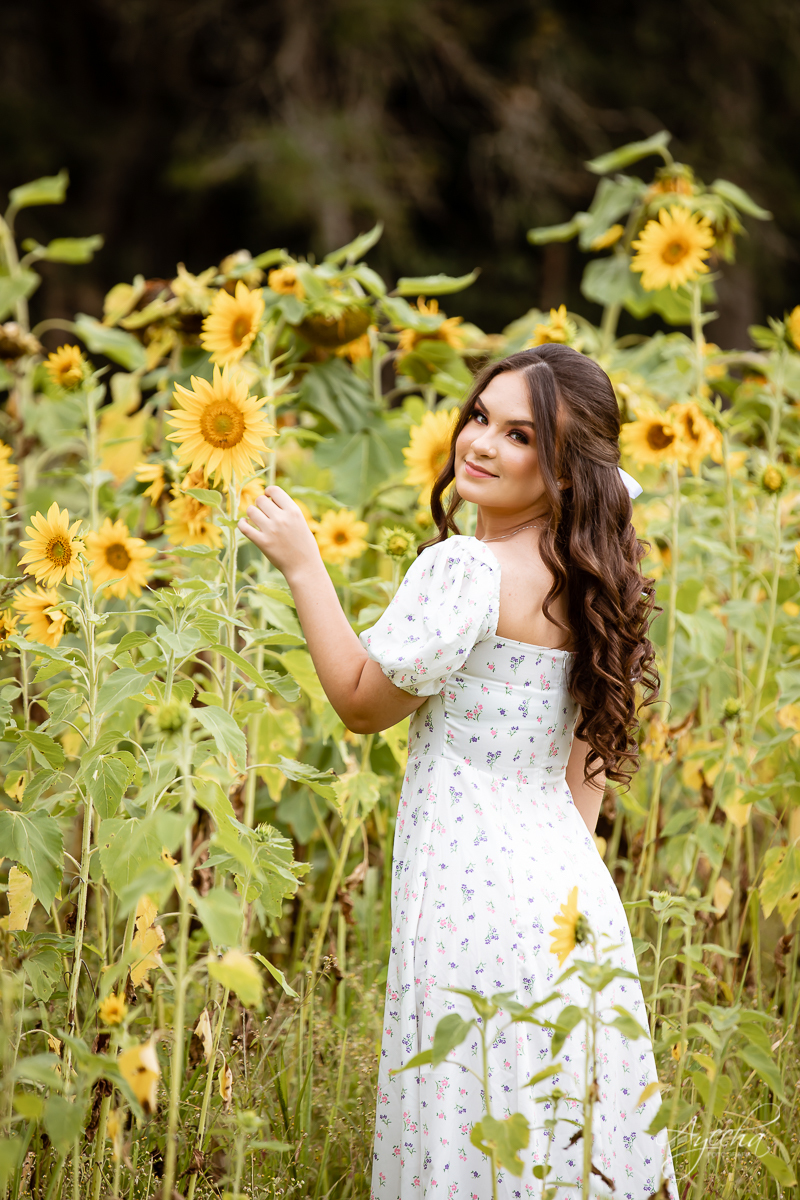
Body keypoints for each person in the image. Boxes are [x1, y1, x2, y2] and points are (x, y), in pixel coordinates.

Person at [239, 344, 677, 1199]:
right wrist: (558, 876)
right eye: (481, 416)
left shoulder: (470, 569)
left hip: (468, 884)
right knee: (553, 1130)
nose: (480, 443)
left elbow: (364, 703)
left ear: (561, 473)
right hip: (570, 902)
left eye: (520, 436)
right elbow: (587, 761)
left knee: (469, 1109)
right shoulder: (586, 574)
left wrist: (302, 563)